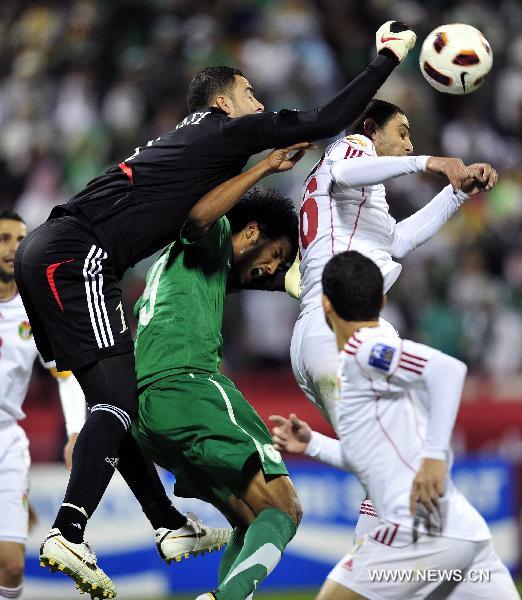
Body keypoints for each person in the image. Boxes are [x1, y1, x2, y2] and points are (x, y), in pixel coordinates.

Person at [13, 22, 417, 598]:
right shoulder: (223, 133)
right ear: (226, 102)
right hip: (82, 256)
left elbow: (204, 226)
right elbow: (324, 121)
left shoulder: (185, 161)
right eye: (252, 95)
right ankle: (71, 529)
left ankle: (165, 521)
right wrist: (384, 61)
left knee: (119, 401)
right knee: (127, 407)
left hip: (48, 251)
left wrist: (280, 276)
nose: (260, 105)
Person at [288, 99, 497, 536]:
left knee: (388, 463)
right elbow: (348, 170)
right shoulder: (350, 151)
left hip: (319, 336)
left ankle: (372, 572)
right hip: (342, 328)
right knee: (404, 452)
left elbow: (397, 242)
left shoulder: (363, 199)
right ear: (369, 128)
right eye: (401, 132)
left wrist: (457, 191)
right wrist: (430, 162)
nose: (409, 143)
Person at [272, 250, 518, 600]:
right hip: (463, 534)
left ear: (326, 305)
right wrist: (313, 444)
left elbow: (448, 370)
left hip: (415, 533)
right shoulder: (368, 364)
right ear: (383, 300)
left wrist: (434, 456)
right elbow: (375, 457)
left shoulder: (364, 350)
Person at [133, 146, 308, 600]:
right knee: (285, 508)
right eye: (277, 253)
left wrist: (294, 280)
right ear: (250, 230)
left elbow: (253, 273)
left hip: (148, 411)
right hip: (189, 385)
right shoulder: (213, 235)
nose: (272, 268)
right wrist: (267, 165)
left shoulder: (178, 266)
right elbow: (200, 219)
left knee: (251, 520)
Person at [0, 210, 86, 600]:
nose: (12, 249)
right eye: (3, 239)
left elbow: (65, 374)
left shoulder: (35, 311)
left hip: (6, 444)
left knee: (13, 565)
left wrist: (74, 432)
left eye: (20, 240)